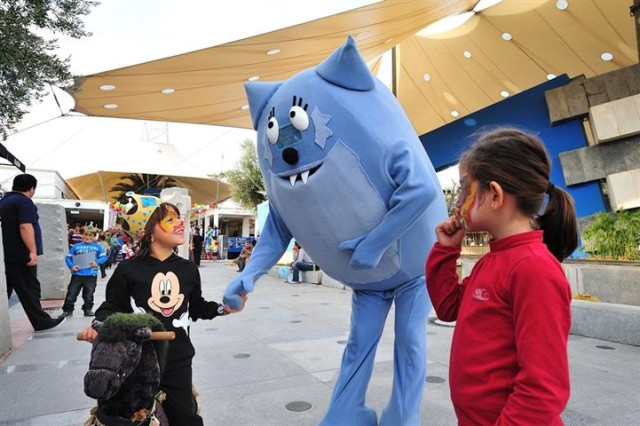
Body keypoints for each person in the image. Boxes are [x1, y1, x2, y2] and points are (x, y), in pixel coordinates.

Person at [426, 128, 578, 425]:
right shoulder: (495, 258)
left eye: (464, 189)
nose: (457, 202)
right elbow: (447, 307)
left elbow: (542, 389)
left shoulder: (534, 269)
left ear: (494, 195)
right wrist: (445, 252)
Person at [79, 198, 245, 425]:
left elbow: (195, 307)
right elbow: (112, 307)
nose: (180, 224)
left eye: (179, 218)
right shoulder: (128, 269)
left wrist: (222, 309)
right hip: (138, 363)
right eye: (170, 219)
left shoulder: (188, 268)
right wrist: (99, 325)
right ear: (148, 231)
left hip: (178, 360)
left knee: (185, 419)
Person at [0, 174, 66, 331]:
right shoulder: (24, 202)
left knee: (6, 290)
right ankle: (41, 322)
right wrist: (32, 251)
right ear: (32, 189)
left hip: (6, 254)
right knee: (29, 289)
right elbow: (25, 226)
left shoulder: (4, 201)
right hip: (21, 254)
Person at [59, 229, 108, 318]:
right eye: (86, 235)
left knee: (89, 294)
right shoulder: (76, 246)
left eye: (90, 236)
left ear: (94, 237)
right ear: (82, 237)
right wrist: (72, 266)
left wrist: (97, 262)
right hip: (77, 274)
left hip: (91, 275)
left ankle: (87, 309)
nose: (88, 237)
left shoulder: (97, 247)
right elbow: (68, 258)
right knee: (71, 293)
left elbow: (104, 257)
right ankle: (67, 310)